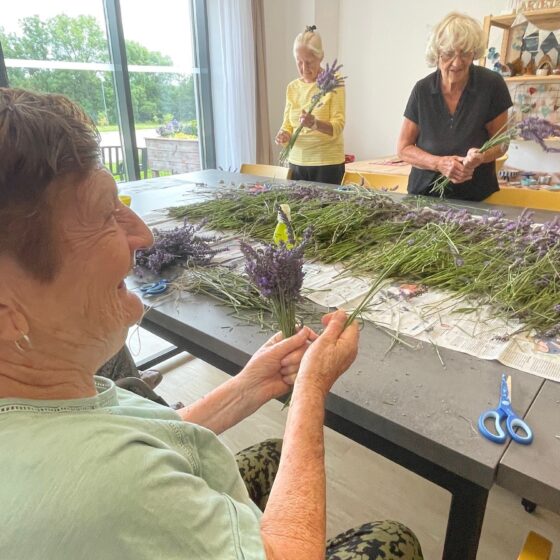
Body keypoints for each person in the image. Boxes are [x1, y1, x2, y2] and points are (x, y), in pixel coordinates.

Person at [0, 88, 423, 559]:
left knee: (274, 452)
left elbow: (153, 433)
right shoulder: (112, 484)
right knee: (394, 540)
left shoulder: (43, 399)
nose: (143, 234)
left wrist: (249, 385)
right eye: (104, 213)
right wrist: (311, 388)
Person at [397, 12, 513, 201]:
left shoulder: (491, 85)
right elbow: (404, 148)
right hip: (424, 196)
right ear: (437, 53)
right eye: (449, 54)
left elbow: (502, 143)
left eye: (465, 53)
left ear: (474, 52)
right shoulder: (422, 90)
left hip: (476, 197)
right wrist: (438, 163)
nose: (457, 63)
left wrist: (481, 156)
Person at [275, 25, 346, 185]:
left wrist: (314, 123)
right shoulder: (292, 87)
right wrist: (284, 135)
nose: (304, 68)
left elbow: (338, 126)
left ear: (320, 57)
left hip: (326, 165)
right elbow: (287, 125)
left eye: (309, 62)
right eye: (299, 62)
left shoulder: (333, 81)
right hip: (296, 164)